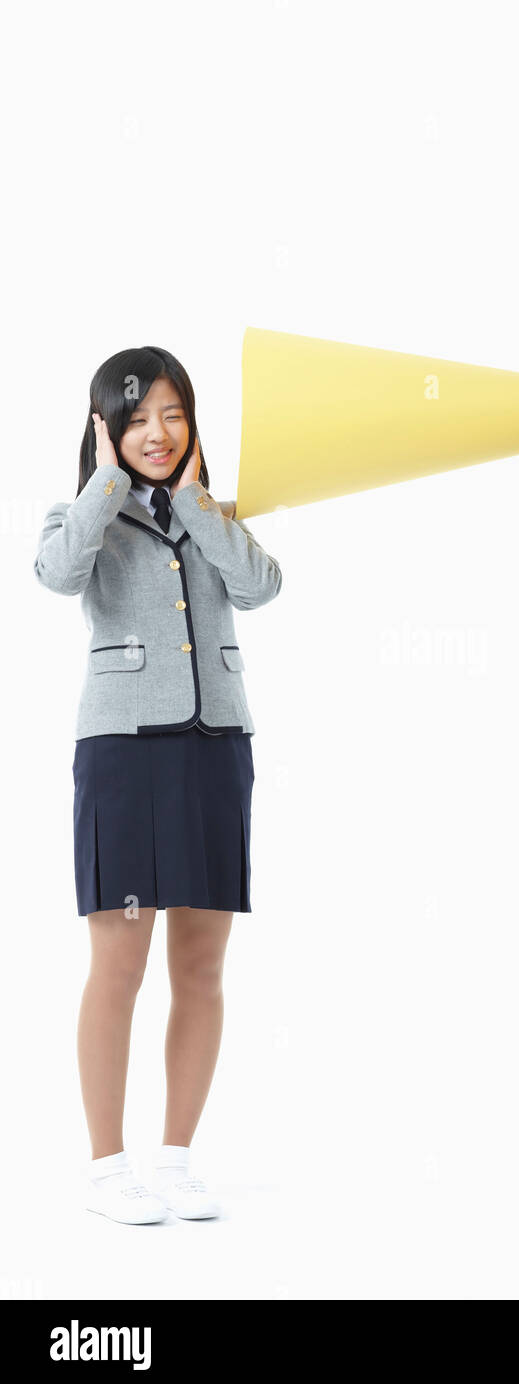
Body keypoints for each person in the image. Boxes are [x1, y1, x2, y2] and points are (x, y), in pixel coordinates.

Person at [34, 346, 282, 1224]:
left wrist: (199, 502)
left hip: (216, 748)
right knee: (120, 961)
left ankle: (177, 1159)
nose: (158, 432)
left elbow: (262, 585)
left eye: (173, 415)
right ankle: (108, 1169)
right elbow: (58, 574)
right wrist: (107, 480)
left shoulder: (215, 512)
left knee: (203, 964)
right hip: (125, 755)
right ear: (105, 428)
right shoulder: (79, 515)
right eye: (137, 419)